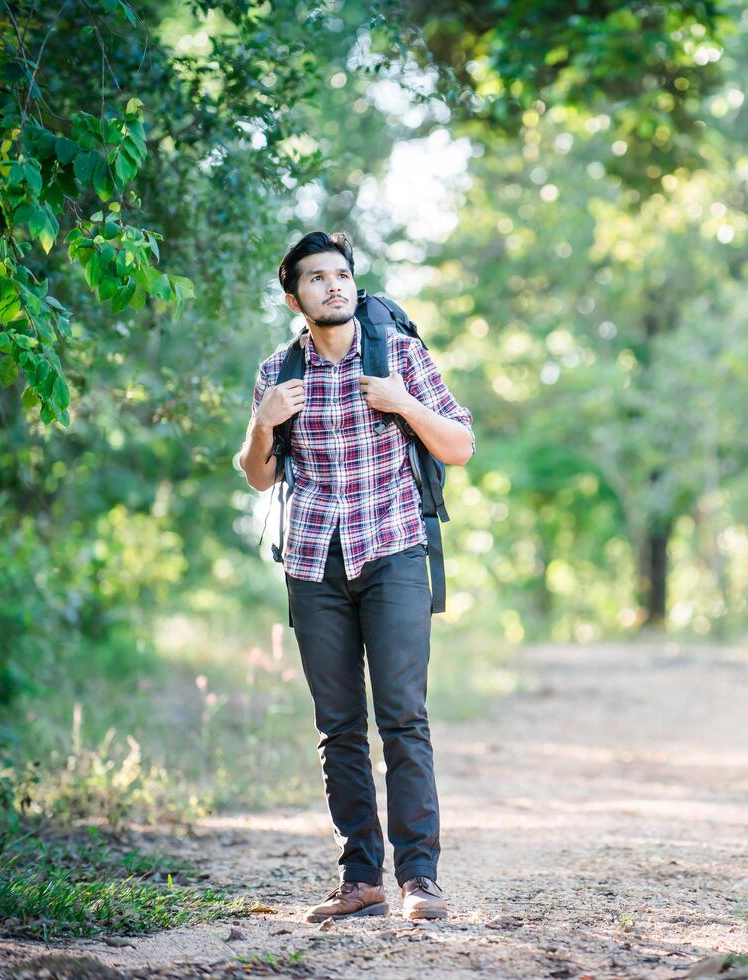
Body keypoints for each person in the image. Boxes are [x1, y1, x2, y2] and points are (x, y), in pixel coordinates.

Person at [236, 231, 474, 923]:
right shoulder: (277, 372)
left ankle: (418, 881)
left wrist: (403, 402)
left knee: (403, 717)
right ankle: (360, 879)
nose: (333, 286)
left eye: (341, 275)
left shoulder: (397, 355)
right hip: (314, 561)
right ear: (294, 297)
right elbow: (258, 476)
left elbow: (459, 444)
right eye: (316, 279)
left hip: (395, 551)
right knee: (337, 726)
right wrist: (262, 422)